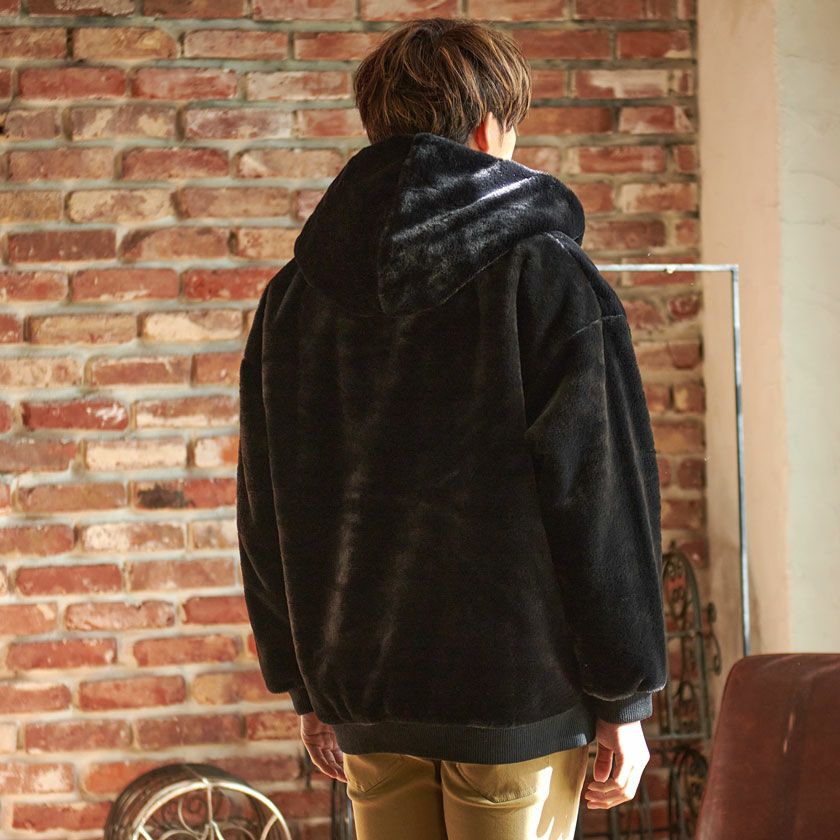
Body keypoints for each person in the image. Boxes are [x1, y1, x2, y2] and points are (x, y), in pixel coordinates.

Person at [236, 16, 668, 840]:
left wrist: (304, 686)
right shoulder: (543, 273)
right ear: (487, 130)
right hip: (515, 697)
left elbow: (267, 510)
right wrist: (625, 699)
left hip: (366, 694)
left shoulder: (296, 296)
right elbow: (600, 497)